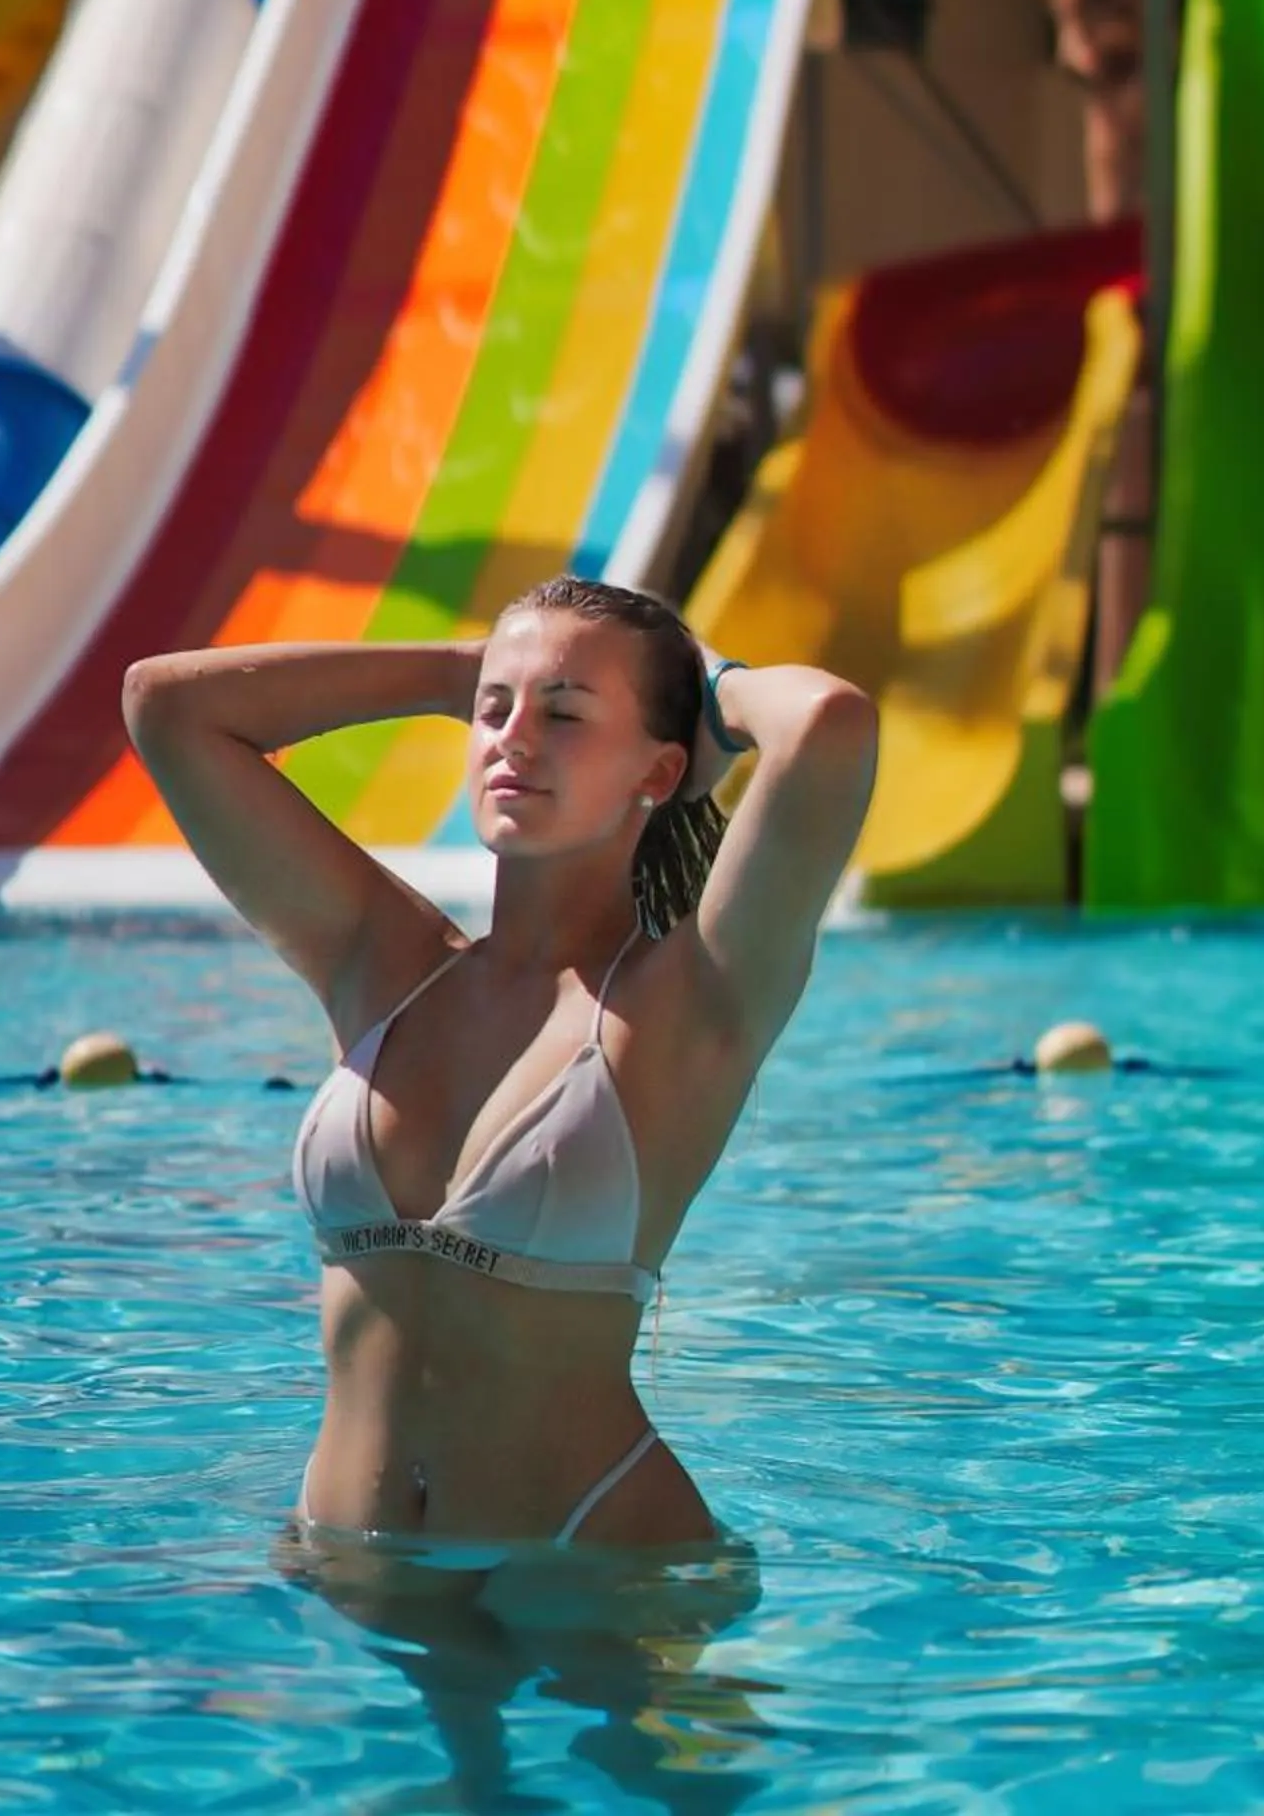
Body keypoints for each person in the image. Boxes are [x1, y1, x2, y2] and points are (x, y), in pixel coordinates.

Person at [122, 575, 877, 1558]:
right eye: (494, 711)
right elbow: (166, 705)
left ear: (657, 773)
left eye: (563, 714)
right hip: (348, 1557)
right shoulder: (379, 962)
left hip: (596, 1561)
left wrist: (710, 691)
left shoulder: (684, 1003)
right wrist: (456, 673)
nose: (513, 738)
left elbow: (827, 723)